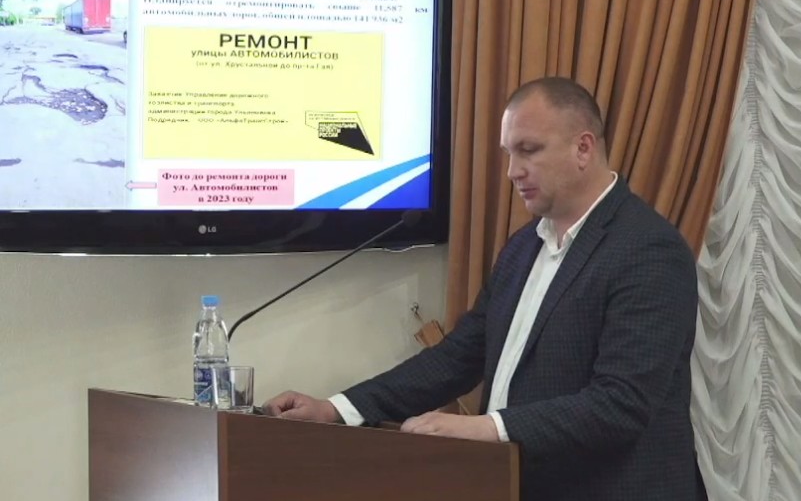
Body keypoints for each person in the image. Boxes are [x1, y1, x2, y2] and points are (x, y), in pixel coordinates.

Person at [262, 76, 700, 501]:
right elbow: (459, 356)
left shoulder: (648, 250)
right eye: (509, 153)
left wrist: (489, 427)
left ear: (583, 148)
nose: (513, 171)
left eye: (529, 150)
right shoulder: (524, 246)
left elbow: (621, 405)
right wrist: (337, 408)